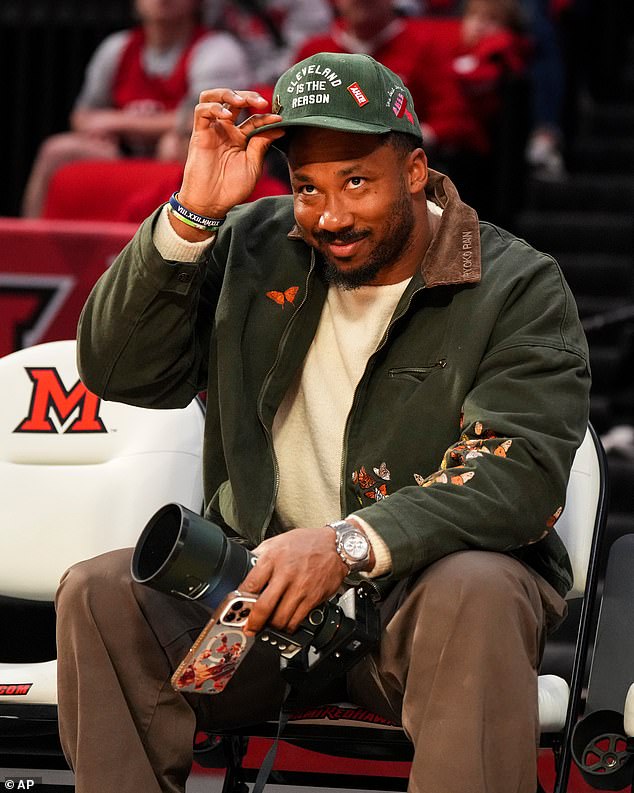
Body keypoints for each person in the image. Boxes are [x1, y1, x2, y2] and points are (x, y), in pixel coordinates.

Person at [57, 52, 590, 793]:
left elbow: (519, 472)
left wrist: (346, 546)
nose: (330, 215)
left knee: (477, 584)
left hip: (422, 607)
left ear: (414, 171)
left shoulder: (515, 283)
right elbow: (118, 372)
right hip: (265, 605)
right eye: (308, 187)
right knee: (100, 591)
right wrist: (192, 216)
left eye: (357, 183)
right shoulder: (253, 245)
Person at [21, 0, 252, 218]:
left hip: (183, 150)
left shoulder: (217, 49)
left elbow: (206, 119)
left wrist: (117, 122)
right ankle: (30, 244)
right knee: (56, 151)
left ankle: (174, 243)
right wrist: (109, 131)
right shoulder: (117, 48)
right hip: (123, 150)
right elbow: (83, 116)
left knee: (173, 145)